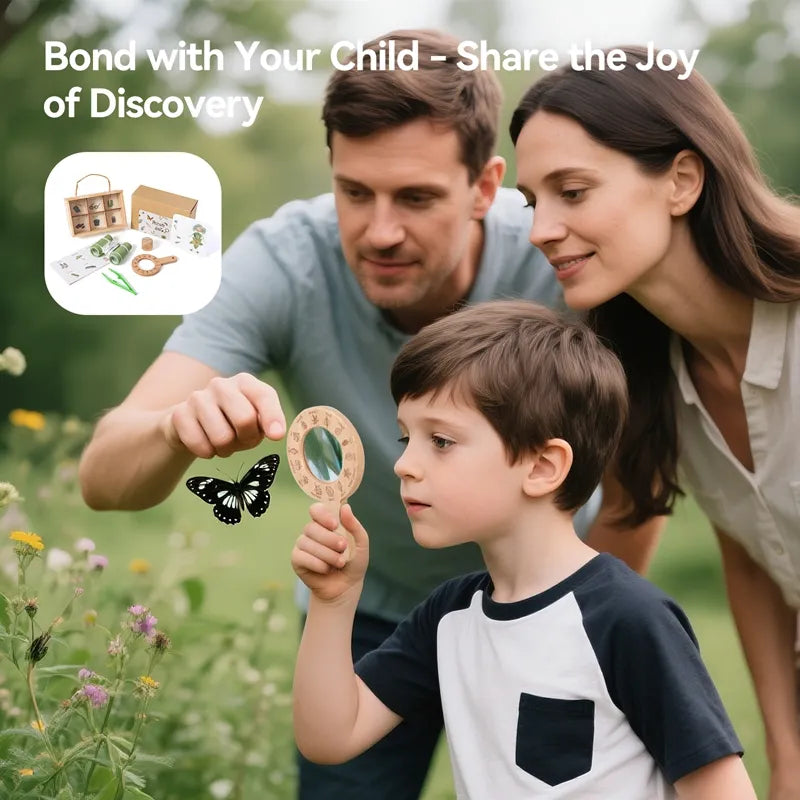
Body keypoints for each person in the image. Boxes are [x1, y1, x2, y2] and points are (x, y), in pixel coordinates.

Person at [78, 30, 661, 799]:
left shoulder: (563, 256)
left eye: (416, 197)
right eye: (354, 193)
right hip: (372, 614)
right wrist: (172, 428)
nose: (380, 231)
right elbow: (102, 476)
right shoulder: (284, 263)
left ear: (486, 187)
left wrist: (586, 615)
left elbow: (640, 473)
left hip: (553, 602)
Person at [292, 299, 755, 799]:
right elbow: (330, 738)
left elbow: (721, 789)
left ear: (541, 467)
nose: (404, 464)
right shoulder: (449, 617)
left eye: (441, 441)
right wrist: (333, 602)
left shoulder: (627, 619)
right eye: (405, 438)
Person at [509, 46, 800, 800]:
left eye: (572, 191)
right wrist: (787, 749)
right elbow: (753, 552)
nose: (543, 229)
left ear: (680, 179)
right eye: (532, 201)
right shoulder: (646, 380)